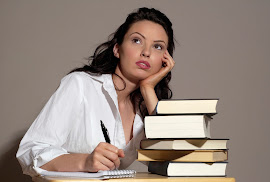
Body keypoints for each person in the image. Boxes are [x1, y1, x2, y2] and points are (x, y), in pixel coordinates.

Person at [16, 7, 175, 177]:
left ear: (164, 62)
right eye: (137, 40)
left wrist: (148, 89)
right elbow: (29, 151)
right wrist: (85, 161)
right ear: (117, 49)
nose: (146, 52)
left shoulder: (143, 109)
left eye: (158, 46)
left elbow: (171, 161)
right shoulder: (80, 84)